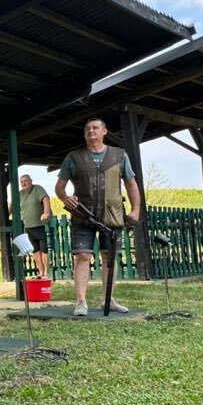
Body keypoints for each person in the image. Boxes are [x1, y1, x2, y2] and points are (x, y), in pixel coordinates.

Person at [54, 117, 141, 317]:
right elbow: (59, 186)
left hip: (112, 214)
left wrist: (135, 210)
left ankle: (107, 299)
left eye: (95, 127)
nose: (90, 131)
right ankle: (81, 302)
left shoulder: (119, 155)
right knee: (83, 256)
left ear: (104, 131)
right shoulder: (74, 157)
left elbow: (131, 183)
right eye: (87, 129)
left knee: (109, 257)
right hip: (83, 214)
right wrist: (65, 198)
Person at [15, 175, 52, 278]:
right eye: (21, 182)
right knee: (35, 250)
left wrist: (46, 213)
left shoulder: (38, 189)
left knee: (44, 249)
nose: (23, 183)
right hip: (29, 227)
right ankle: (41, 272)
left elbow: (46, 199)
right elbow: (13, 204)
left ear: (31, 181)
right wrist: (6, 214)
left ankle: (46, 273)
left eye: (26, 181)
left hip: (41, 225)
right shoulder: (20, 194)